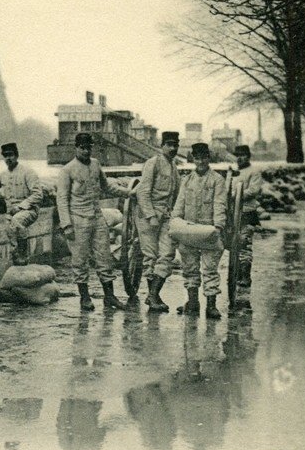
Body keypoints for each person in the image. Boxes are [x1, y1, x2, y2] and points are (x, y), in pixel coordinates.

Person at [56, 132, 131, 311]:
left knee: (104, 257)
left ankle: (110, 296)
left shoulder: (96, 164)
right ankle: (85, 297)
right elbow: (61, 199)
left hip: (97, 217)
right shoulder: (67, 170)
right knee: (80, 260)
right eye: (82, 148)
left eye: (89, 147)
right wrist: (66, 225)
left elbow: (107, 186)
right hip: (78, 219)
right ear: (76, 148)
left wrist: (128, 192)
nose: (86, 151)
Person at [172, 142, 227, 319]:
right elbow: (179, 204)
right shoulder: (186, 180)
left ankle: (211, 305)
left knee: (210, 269)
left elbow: (220, 204)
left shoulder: (217, 180)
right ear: (193, 159)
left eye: (204, 157)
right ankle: (193, 302)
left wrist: (218, 226)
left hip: (209, 231)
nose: (201, 161)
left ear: (208, 158)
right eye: (197, 158)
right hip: (189, 230)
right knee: (189, 267)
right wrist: (175, 222)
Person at [134, 131, 181, 313]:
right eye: (169, 145)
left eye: (175, 145)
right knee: (150, 256)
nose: (173, 148)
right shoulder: (152, 163)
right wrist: (151, 215)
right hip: (148, 216)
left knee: (167, 254)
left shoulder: (174, 167)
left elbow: (176, 195)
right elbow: (142, 192)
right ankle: (153, 296)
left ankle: (153, 294)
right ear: (162, 146)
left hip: (166, 215)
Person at [231, 144, 263, 314]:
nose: (240, 158)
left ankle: (245, 275)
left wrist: (236, 195)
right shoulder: (234, 173)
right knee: (234, 243)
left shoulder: (254, 172)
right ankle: (235, 272)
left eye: (243, 155)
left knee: (245, 242)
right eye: (238, 155)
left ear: (248, 156)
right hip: (234, 213)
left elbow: (254, 190)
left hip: (247, 212)